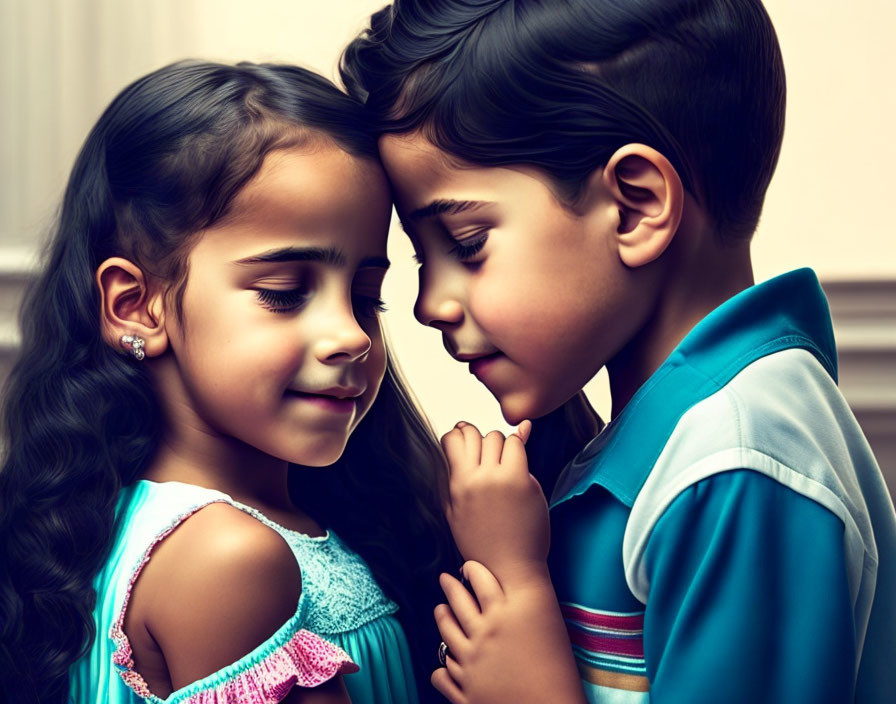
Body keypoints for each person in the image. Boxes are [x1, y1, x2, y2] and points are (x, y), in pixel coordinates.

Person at [341, 1, 896, 702]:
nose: (431, 305)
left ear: (633, 206)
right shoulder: (682, 441)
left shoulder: (736, 462)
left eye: (467, 245)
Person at [0, 60, 454, 704]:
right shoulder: (226, 558)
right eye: (284, 292)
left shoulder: (117, 521)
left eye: (366, 296)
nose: (352, 335)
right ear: (136, 306)